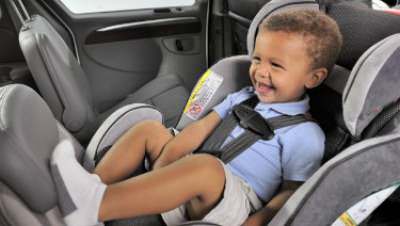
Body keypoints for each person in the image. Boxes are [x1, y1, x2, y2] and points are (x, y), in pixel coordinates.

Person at [51, 10, 343, 226]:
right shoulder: (243, 96)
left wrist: (258, 221)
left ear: (313, 78)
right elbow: (200, 128)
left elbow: (291, 192)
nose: (260, 71)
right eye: (257, 59)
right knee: (151, 130)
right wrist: (164, 165)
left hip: (233, 202)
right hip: (197, 170)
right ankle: (91, 187)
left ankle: (96, 205)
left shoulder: (306, 135)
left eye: (275, 65)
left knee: (206, 168)